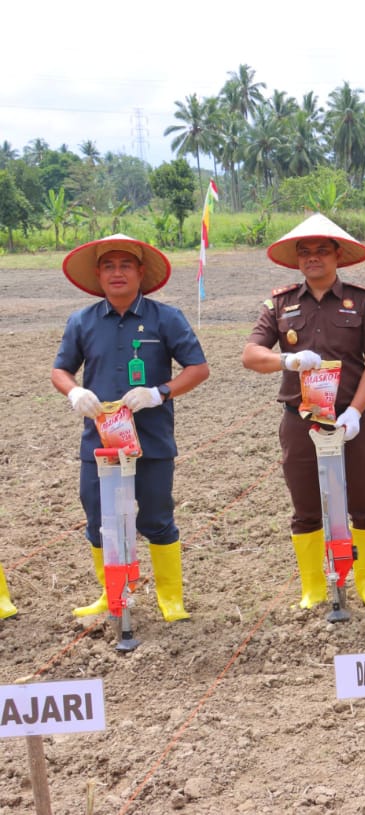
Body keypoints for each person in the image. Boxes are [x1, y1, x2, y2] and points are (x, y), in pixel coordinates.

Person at [52, 234, 210, 620]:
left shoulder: (166, 318)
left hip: (152, 439)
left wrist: (159, 393)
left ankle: (170, 599)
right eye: (109, 266)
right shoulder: (82, 321)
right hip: (100, 443)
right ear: (98, 275)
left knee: (156, 516)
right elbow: (60, 370)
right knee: (98, 518)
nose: (117, 273)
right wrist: (75, 392)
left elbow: (198, 368)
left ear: (141, 272)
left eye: (125, 265)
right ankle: (112, 593)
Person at [242, 214, 365, 608]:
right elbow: (251, 355)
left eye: (322, 250)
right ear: (297, 259)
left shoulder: (363, 301)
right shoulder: (280, 303)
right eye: (305, 252)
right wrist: (287, 361)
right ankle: (312, 587)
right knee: (305, 506)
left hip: (350, 420)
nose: (313, 258)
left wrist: (356, 411)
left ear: (337, 255)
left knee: (363, 501)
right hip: (301, 421)